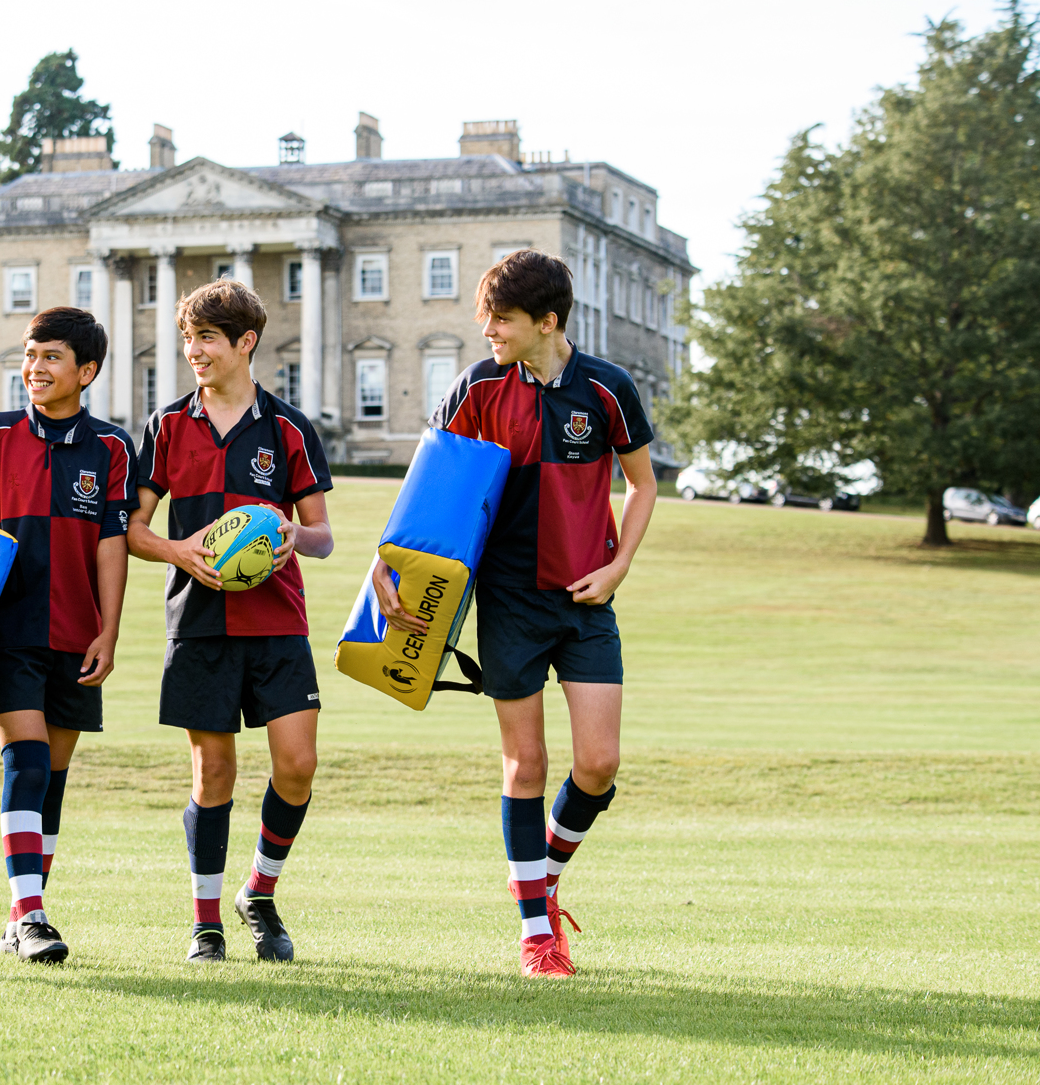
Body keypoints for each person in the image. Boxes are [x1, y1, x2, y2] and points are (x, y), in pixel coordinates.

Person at [372, 249, 656, 978]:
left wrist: (619, 565)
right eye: (486, 317)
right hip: (509, 601)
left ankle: (541, 872)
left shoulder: (608, 389)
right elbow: (429, 482)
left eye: (501, 319)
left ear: (548, 322)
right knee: (525, 762)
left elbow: (643, 484)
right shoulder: (478, 387)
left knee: (599, 764)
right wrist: (385, 561)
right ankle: (538, 933)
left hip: (587, 599)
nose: (487, 329)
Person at [128, 280, 334, 964]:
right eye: (189, 338)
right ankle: (206, 922)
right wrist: (178, 550)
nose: (194, 351)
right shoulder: (165, 427)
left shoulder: (288, 429)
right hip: (199, 623)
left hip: (279, 623)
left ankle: (261, 892)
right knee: (212, 773)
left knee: (297, 766)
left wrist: (286, 536)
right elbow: (132, 528)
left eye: (207, 338)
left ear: (246, 342)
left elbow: (322, 535)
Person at [0, 306, 135, 964]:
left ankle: (20, 918)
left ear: (86, 371)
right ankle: (35, 913)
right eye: (30, 355)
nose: (35, 368)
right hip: (8, 628)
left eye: (51, 358)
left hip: (78, 633)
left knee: (54, 779)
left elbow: (111, 545)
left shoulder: (113, 448)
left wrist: (110, 632)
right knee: (27, 760)